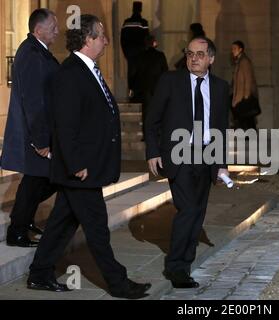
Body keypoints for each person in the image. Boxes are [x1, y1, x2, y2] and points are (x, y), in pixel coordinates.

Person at [27, 14, 151, 299]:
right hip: (81, 169)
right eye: (102, 35)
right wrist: (77, 164)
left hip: (89, 165)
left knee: (62, 222)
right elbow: (65, 124)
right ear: (88, 39)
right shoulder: (70, 73)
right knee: (97, 230)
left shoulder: (89, 70)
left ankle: (39, 273)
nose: (107, 40)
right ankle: (119, 284)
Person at [146, 36, 230, 288]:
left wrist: (221, 163)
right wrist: (153, 151)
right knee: (189, 209)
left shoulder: (220, 87)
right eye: (190, 53)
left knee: (198, 211)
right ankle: (176, 268)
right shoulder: (170, 81)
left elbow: (221, 129)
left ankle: (186, 260)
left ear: (211, 59)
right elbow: (153, 119)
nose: (194, 58)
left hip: (206, 156)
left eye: (200, 54)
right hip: (179, 154)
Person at [0, 9, 59, 247]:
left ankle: (23, 222)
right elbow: (34, 101)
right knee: (37, 181)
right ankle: (17, 230)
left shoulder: (37, 51)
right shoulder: (32, 54)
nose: (57, 30)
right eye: (53, 26)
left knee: (39, 181)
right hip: (34, 134)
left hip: (38, 132)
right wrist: (41, 140)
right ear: (38, 29)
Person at [129, 33, 168, 141]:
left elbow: (133, 73)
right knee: (159, 111)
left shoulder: (139, 56)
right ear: (154, 43)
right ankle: (158, 134)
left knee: (146, 112)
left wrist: (132, 87)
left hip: (144, 88)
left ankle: (147, 135)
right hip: (158, 87)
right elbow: (165, 72)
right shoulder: (160, 55)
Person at [120, 1, 150, 100]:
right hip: (141, 52)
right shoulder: (143, 23)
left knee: (131, 72)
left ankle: (131, 92)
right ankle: (139, 94)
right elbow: (147, 38)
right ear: (140, 10)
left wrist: (125, 51)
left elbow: (122, 39)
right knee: (141, 73)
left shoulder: (126, 22)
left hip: (129, 52)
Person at [230, 40, 259, 130]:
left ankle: (249, 135)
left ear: (240, 49)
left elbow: (248, 79)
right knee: (245, 118)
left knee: (246, 118)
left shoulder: (244, 61)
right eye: (232, 49)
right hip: (240, 95)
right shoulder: (239, 61)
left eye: (235, 48)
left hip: (243, 96)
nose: (233, 51)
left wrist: (246, 96)